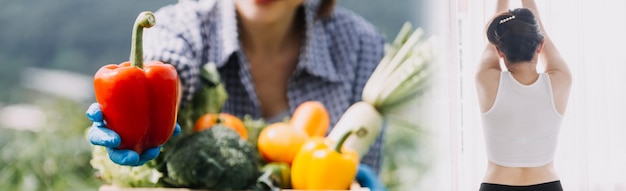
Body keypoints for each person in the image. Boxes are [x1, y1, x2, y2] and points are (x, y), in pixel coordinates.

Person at [87, 0, 386, 178]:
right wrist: (143, 116)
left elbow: (361, 166)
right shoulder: (182, 25)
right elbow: (170, 64)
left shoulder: (361, 45)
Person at [475, 0, 572, 190]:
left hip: (497, 184)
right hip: (547, 185)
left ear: (499, 51)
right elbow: (542, 36)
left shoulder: (486, 80)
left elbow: (491, 44)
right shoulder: (561, 81)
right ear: (540, 44)